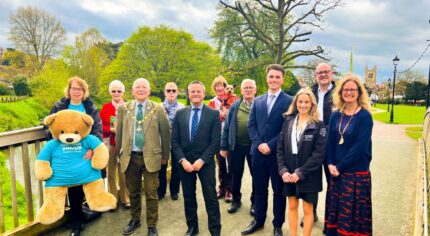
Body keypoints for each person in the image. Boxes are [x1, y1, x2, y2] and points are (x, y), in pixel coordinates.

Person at [43, 76, 102, 236]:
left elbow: (97, 129)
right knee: (69, 185)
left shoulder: (89, 107)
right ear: (69, 90)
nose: (76, 91)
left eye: (79, 89)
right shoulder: (60, 105)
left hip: (83, 153)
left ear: (84, 91)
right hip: (64, 154)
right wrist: (53, 136)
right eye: (73, 88)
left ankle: (79, 216)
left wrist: (93, 149)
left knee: (82, 184)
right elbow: (47, 126)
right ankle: (77, 221)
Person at [241, 64, 292, 236]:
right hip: (258, 154)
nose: (274, 80)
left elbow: (287, 128)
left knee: (278, 191)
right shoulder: (258, 101)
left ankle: (277, 225)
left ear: (282, 79)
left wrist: (270, 145)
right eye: (271, 76)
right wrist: (258, 143)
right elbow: (251, 125)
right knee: (259, 188)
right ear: (266, 78)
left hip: (277, 155)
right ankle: (258, 220)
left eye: (277, 77)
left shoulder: (289, 101)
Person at [116, 78, 171, 236]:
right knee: (133, 192)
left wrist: (165, 155)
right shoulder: (124, 109)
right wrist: (120, 154)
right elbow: (119, 133)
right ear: (133, 91)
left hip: (151, 158)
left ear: (149, 90)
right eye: (137, 87)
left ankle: (152, 225)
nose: (141, 90)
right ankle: (135, 219)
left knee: (151, 193)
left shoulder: (158, 109)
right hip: (130, 157)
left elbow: (166, 134)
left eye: (144, 87)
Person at [324, 73, 373, 236]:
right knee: (337, 211)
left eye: (352, 89)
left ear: (359, 92)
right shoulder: (336, 114)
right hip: (336, 172)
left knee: (353, 215)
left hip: (355, 172)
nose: (349, 93)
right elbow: (330, 141)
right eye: (345, 89)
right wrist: (330, 163)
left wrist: (339, 166)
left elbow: (360, 148)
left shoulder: (364, 116)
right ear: (340, 92)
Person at [171, 80, 221, 236]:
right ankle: (192, 227)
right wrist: (182, 160)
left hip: (204, 163)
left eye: (198, 91)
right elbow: (175, 141)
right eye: (192, 91)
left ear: (204, 94)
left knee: (210, 197)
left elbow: (215, 142)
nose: (195, 94)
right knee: (188, 196)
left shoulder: (213, 114)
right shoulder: (180, 113)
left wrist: (201, 160)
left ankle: (215, 229)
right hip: (185, 163)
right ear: (188, 94)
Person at [276, 88, 327, 236]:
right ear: (296, 103)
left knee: (307, 209)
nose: (303, 105)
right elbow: (280, 148)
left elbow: (319, 154)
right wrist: (283, 170)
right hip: (289, 171)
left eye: (306, 102)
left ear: (312, 104)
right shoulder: (288, 121)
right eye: (300, 101)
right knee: (292, 205)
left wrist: (301, 172)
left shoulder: (319, 125)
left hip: (309, 172)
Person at [220, 79, 256, 214]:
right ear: (241, 91)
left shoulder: (259, 105)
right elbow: (227, 127)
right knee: (235, 175)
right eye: (245, 87)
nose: (248, 90)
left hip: (254, 147)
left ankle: (255, 203)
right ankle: (236, 200)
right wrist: (224, 146)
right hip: (236, 146)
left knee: (256, 176)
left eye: (250, 87)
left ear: (255, 90)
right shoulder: (235, 105)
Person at [307, 62, 336, 225]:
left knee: (332, 183)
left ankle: (330, 220)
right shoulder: (310, 92)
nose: (323, 75)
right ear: (315, 75)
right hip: (312, 145)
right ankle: (311, 214)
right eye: (320, 72)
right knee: (311, 181)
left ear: (331, 73)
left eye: (326, 72)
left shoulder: (339, 92)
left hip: (332, 145)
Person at [100, 80, 130, 210]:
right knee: (111, 173)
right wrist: (110, 130)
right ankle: (113, 199)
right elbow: (100, 126)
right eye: (113, 91)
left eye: (119, 91)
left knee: (124, 172)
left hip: (124, 144)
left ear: (123, 92)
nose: (116, 93)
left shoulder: (129, 106)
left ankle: (125, 198)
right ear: (110, 92)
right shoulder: (106, 107)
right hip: (111, 144)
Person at [208, 76, 237, 202]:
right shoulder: (212, 102)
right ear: (214, 88)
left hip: (231, 136)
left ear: (226, 87)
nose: (219, 88)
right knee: (221, 164)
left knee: (231, 163)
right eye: (217, 86)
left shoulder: (234, 100)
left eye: (222, 85)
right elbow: (209, 120)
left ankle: (230, 189)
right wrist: (221, 116)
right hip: (217, 137)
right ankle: (222, 187)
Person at [158, 82, 185, 201]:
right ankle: (161, 191)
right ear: (164, 92)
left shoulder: (182, 107)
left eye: (173, 90)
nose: (171, 93)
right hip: (162, 140)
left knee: (177, 166)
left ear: (177, 92)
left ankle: (174, 191)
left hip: (177, 141)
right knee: (162, 166)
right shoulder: (158, 107)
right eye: (168, 90)